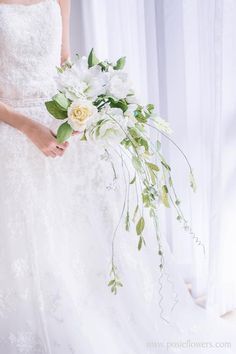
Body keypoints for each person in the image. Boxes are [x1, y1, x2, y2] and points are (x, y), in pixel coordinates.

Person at [0, 1, 235, 353]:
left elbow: (63, 62)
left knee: (79, 242)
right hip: (14, 130)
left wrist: (78, 114)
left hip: (61, 130)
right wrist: (28, 127)